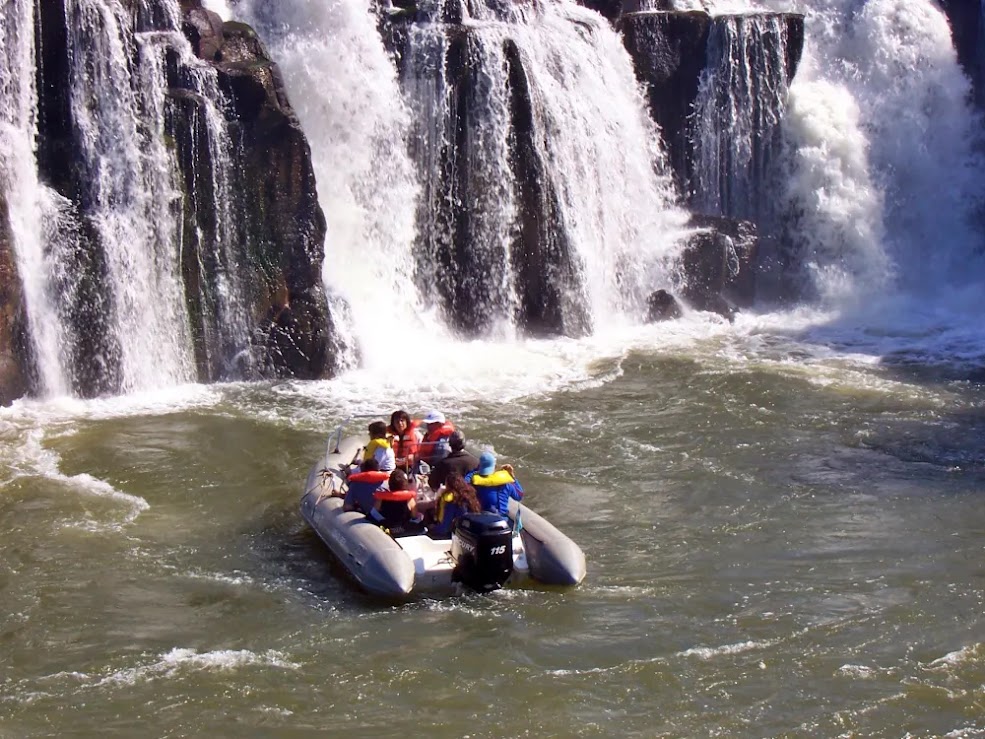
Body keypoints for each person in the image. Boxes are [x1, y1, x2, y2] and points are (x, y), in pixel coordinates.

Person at [470, 451, 523, 517]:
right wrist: (512, 476)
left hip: (479, 520)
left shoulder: (474, 482)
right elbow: (519, 496)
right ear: (494, 466)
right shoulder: (506, 484)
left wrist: (475, 470)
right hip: (501, 521)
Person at [430, 472, 480, 538]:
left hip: (455, 533)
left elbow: (445, 525)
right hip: (470, 530)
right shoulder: (469, 494)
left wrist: (433, 529)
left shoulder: (452, 501)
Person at [388, 409, 421, 474]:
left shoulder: (416, 434)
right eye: (397, 422)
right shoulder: (388, 437)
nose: (400, 423)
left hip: (411, 466)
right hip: (394, 466)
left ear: (407, 422)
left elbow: (420, 452)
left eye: (402, 421)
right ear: (393, 424)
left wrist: (412, 457)